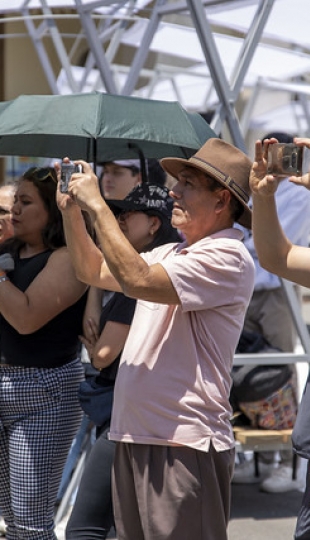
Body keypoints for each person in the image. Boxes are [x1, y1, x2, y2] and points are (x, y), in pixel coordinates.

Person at [56, 137, 255, 540]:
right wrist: (72, 214)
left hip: (183, 441)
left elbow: (136, 279)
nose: (173, 191)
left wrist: (97, 204)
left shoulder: (228, 256)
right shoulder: (173, 253)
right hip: (140, 432)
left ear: (221, 201)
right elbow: (91, 270)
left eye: (187, 185)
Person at [66, 183, 181, 539]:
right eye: (117, 213)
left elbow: (102, 355)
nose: (119, 220)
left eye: (129, 214)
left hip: (126, 412)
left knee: (88, 529)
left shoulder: (149, 278)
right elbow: (94, 273)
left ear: (153, 225)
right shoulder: (140, 274)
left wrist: (94, 342)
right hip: (127, 410)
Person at [0, 166, 89, 539]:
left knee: (30, 523)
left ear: (52, 210)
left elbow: (26, 318)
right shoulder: (8, 251)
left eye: (25, 202)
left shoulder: (68, 258)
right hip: (5, 383)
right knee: (10, 519)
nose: (13, 211)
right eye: (13, 202)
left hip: (45, 391)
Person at [232, 132, 310, 492]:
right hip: (252, 288)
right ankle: (264, 460)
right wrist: (262, 194)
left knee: (279, 375)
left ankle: (284, 465)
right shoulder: (263, 185)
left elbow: (279, 256)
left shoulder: (301, 193)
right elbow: (273, 254)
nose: (281, 157)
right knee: (249, 375)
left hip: (279, 293)